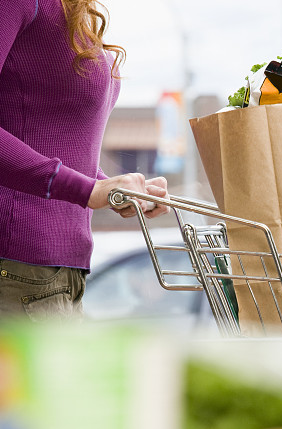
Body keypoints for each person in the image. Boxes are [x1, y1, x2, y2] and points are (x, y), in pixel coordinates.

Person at [0, 0, 170, 321]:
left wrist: (109, 188)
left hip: (62, 272)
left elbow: (56, 140)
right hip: (18, 262)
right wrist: (85, 190)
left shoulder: (72, 10)